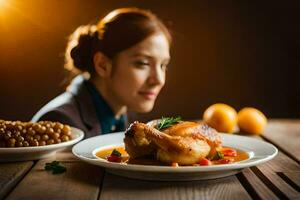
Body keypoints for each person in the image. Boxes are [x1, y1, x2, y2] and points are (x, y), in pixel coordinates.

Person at [32, 7, 172, 138]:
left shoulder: (122, 114)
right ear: (103, 65)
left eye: (163, 65)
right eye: (143, 63)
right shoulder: (61, 123)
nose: (159, 80)